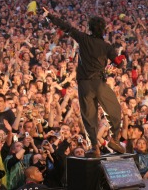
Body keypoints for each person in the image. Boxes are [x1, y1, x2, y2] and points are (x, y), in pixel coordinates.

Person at [43, 8, 126, 157]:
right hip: (100, 83)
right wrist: (118, 64)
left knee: (89, 116)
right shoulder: (107, 46)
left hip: (85, 84)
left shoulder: (83, 38)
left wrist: (49, 16)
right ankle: (114, 139)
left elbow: (66, 27)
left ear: (89, 28)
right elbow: (119, 63)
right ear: (103, 30)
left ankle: (94, 146)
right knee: (114, 110)